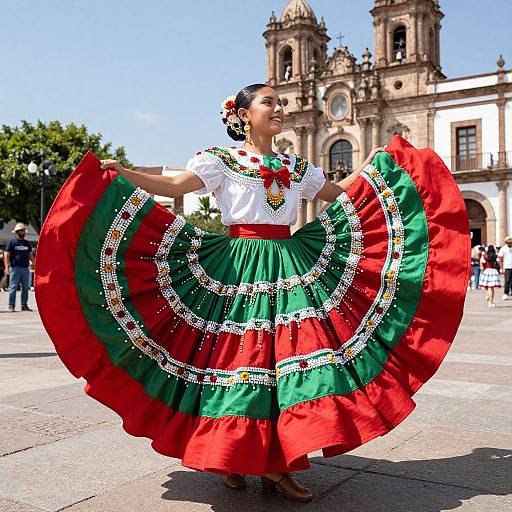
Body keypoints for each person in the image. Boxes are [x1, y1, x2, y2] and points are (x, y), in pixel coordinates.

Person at [35, 84, 470, 502]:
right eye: (269, 103)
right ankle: (237, 453)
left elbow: (341, 195)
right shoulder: (221, 160)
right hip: (236, 267)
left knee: (287, 359)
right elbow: (176, 185)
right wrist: (127, 173)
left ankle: (274, 458)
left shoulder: (296, 167)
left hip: (291, 262)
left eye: (280, 103)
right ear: (244, 115)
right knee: (239, 357)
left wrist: (374, 166)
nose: (279, 109)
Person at [5, 223, 34, 312]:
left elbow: (30, 255)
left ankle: (24, 305)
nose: (23, 232)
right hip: (15, 268)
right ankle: (11, 306)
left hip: (25, 268)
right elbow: (7, 255)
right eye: (22, 231)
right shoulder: (12, 242)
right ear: (17, 232)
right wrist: (7, 267)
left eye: (24, 231)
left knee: (25, 288)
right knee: (13, 287)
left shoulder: (26, 243)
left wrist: (34, 262)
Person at [498, 236, 512, 300]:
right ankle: (505, 293)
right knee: (507, 281)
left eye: (510, 242)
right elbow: (500, 258)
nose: (510, 243)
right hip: (507, 267)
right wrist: (501, 267)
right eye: (508, 242)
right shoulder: (503, 248)